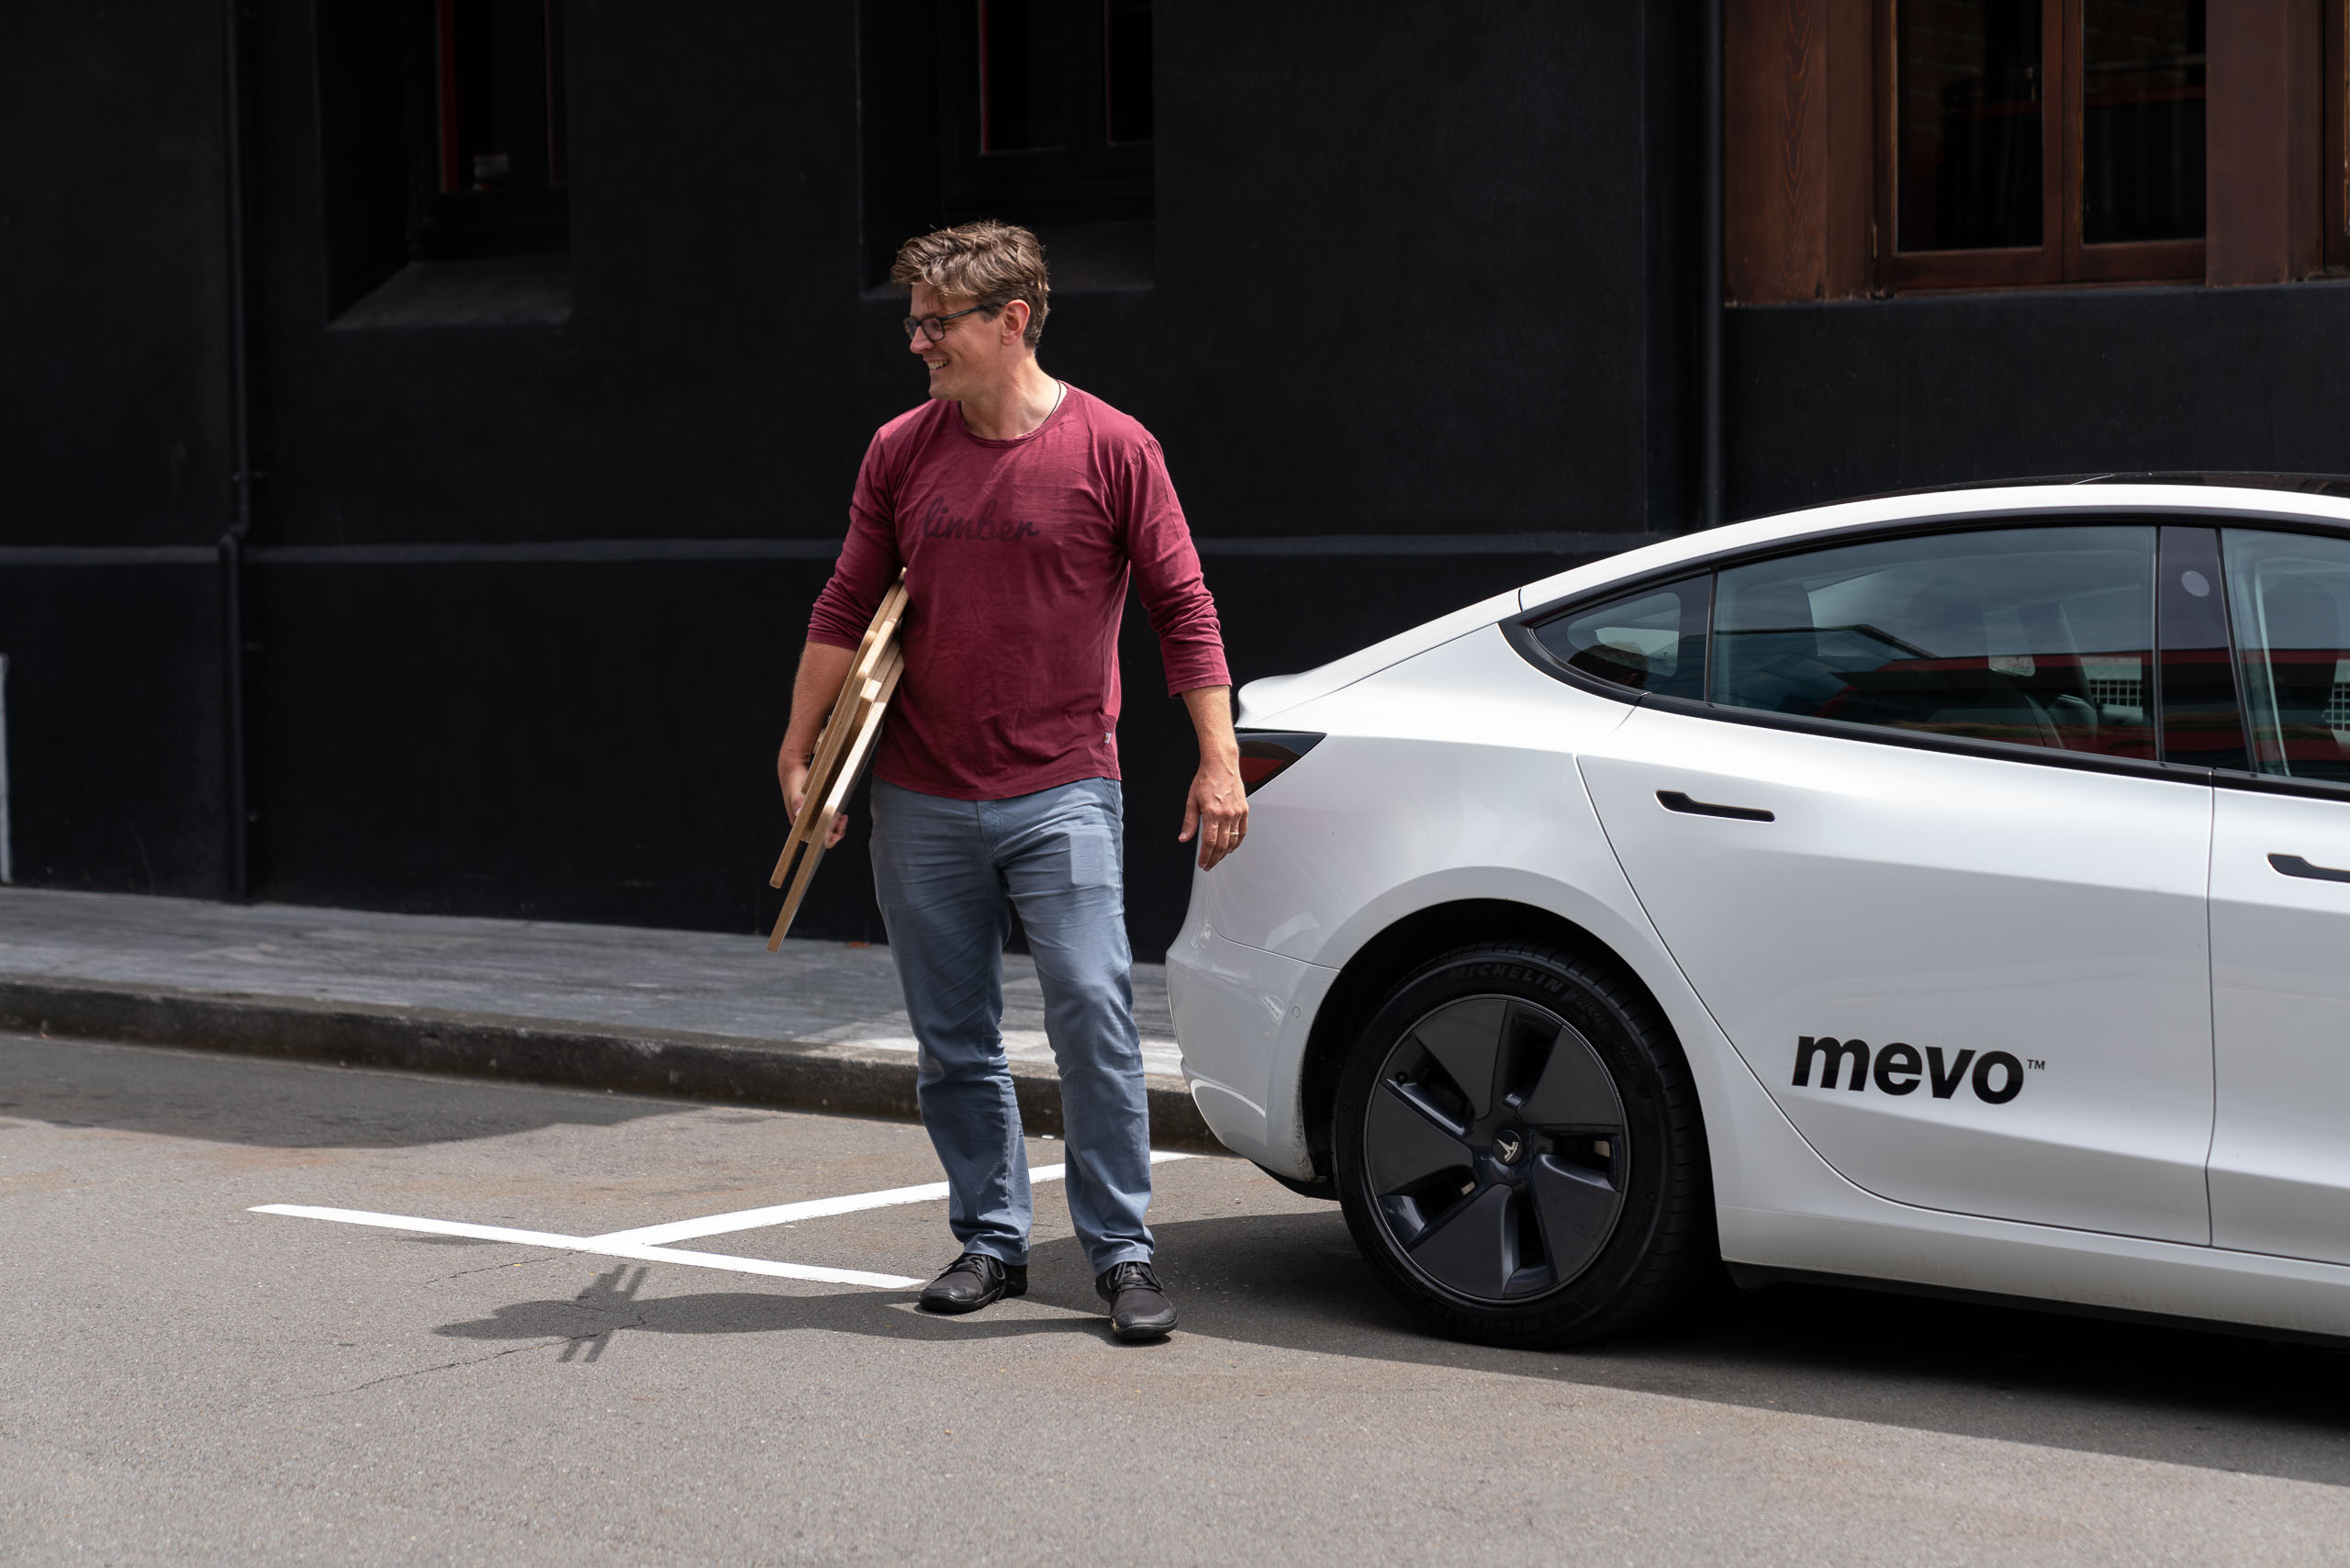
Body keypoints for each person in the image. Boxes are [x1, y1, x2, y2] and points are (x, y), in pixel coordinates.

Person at [779, 221, 1246, 1342]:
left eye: (936, 323)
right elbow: (847, 602)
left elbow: (1182, 607)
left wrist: (1219, 759)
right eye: (913, 322)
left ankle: (1121, 1251)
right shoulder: (899, 450)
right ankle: (991, 1240)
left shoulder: (1114, 447)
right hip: (921, 793)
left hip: (1063, 788)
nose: (917, 342)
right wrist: (802, 751)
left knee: (1092, 1011)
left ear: (1012, 320)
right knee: (954, 1037)